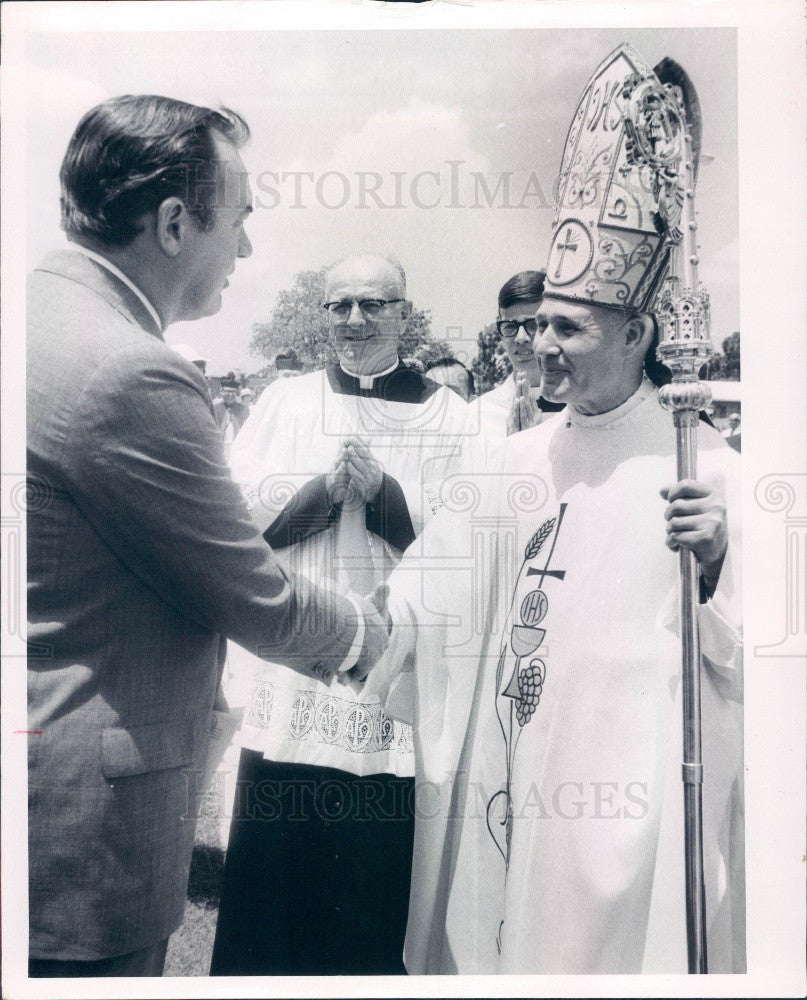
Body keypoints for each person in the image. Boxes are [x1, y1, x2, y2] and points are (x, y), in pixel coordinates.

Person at [369, 44, 743, 974]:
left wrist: (722, 564)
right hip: (510, 757)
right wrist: (372, 622)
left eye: (567, 327)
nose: (541, 347)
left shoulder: (706, 466)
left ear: (639, 332)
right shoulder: (508, 461)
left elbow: (765, 640)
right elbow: (427, 596)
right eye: (536, 326)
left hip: (632, 784)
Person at [26, 96, 386, 978]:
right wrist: (374, 634)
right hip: (84, 833)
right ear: (177, 222)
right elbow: (252, 596)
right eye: (243, 218)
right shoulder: (127, 370)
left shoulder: (34, 320)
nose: (249, 249)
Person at [210, 253, 469, 976]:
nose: (354, 320)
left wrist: (385, 498)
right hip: (292, 675)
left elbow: (464, 547)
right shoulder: (282, 402)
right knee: (273, 880)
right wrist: (322, 495)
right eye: (339, 306)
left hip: (392, 676)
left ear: (402, 313)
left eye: (373, 304)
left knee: (364, 883)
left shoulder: (451, 416)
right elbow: (232, 525)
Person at [213, 375, 250, 450]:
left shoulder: (244, 410)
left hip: (239, 447)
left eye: (232, 392)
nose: (229, 395)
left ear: (236, 393)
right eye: (226, 391)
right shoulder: (215, 409)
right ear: (221, 392)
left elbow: (248, 430)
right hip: (219, 447)